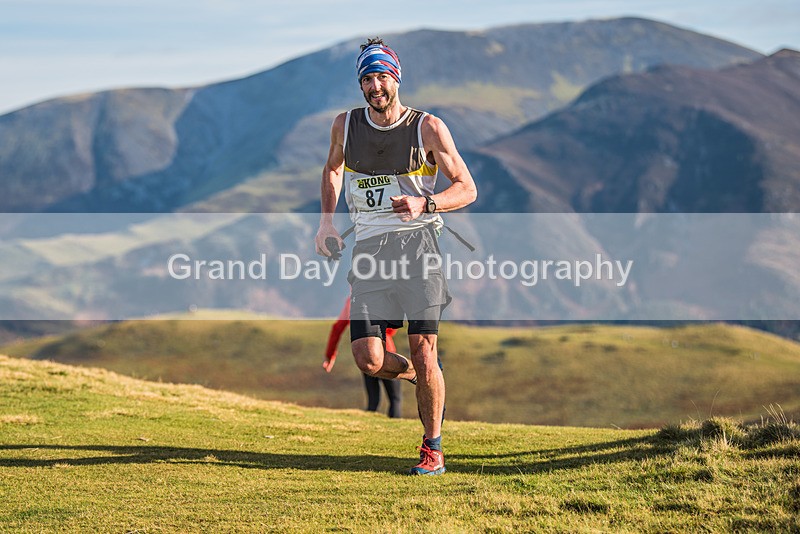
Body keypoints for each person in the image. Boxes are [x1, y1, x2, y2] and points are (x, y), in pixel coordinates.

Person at [315, 38, 477, 475]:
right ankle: (423, 377)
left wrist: (428, 204)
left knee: (424, 351)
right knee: (368, 359)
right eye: (366, 78)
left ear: (396, 78)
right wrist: (327, 223)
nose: (374, 86)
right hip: (369, 255)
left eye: (381, 76)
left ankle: (432, 449)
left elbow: (468, 187)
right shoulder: (344, 126)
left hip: (419, 251)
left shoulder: (427, 128)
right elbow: (332, 168)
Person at [323, 296, 402, 418]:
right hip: (386, 352)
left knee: (373, 402)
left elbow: (337, 328)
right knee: (395, 399)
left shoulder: (351, 302)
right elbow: (391, 328)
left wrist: (330, 355)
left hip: (366, 356)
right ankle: (395, 433)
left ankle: (368, 431)